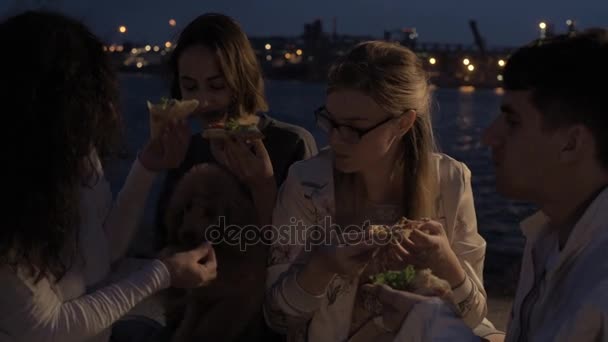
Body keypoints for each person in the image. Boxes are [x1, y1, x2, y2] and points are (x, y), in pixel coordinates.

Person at [367, 29, 608, 342]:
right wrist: (426, 319)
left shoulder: (599, 280)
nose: (489, 136)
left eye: (512, 121)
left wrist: (429, 325)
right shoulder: (550, 238)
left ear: (571, 143)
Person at [0, 11, 217, 342]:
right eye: (86, 92)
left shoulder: (73, 154)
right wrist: (163, 273)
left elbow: (101, 254)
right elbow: (47, 328)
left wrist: (146, 167)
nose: (103, 107)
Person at [265, 41, 498, 341]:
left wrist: (446, 262)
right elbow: (277, 316)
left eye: (354, 127)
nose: (336, 139)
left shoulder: (451, 181)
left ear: (403, 123)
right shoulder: (308, 184)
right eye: (331, 121)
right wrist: (322, 266)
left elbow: (474, 317)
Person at [154, 13, 317, 341]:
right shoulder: (187, 150)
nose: (203, 101)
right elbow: (165, 240)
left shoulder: (291, 145)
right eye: (189, 86)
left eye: (217, 85)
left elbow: (303, 262)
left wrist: (262, 186)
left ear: (242, 78)